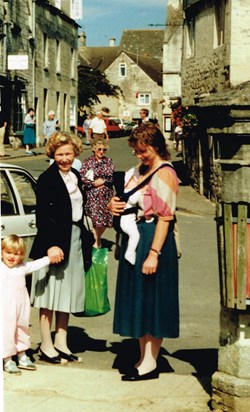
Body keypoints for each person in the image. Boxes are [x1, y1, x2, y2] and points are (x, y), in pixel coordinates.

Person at [108, 122, 179, 381]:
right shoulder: (140, 170)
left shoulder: (164, 173)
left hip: (153, 240)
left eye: (142, 150)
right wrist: (113, 205)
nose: (138, 155)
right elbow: (127, 199)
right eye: (136, 151)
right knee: (140, 299)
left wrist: (153, 254)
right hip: (135, 238)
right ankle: (143, 358)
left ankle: (150, 363)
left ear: (155, 146)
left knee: (154, 300)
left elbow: (165, 218)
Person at [30, 131, 86, 364]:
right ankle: (46, 344)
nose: (65, 158)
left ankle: (61, 342)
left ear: (75, 153)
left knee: (68, 293)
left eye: (69, 153)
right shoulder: (47, 179)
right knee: (50, 295)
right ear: (53, 154)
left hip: (74, 239)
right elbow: (43, 216)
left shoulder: (75, 176)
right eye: (60, 154)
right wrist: (51, 245)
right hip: (54, 242)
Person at [1, 234, 56, 374]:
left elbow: (36, 264)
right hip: (6, 306)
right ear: (1, 252)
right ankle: (7, 359)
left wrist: (49, 259)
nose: (12, 257)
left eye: (17, 254)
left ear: (22, 256)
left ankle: (22, 355)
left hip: (22, 303)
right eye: (8, 252)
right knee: (7, 330)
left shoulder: (22, 267)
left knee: (22, 327)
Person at [80, 139, 114, 248]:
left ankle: (97, 238)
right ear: (94, 149)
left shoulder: (109, 161)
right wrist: (94, 183)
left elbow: (111, 176)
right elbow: (82, 177)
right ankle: (96, 240)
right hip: (92, 194)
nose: (101, 151)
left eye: (104, 150)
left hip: (105, 194)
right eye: (99, 149)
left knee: (104, 219)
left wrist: (103, 181)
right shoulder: (87, 162)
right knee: (95, 219)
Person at [119, 166, 141, 265]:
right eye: (134, 180)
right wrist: (141, 191)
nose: (136, 182)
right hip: (126, 220)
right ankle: (130, 253)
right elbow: (133, 200)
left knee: (132, 235)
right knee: (135, 235)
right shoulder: (128, 193)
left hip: (129, 219)